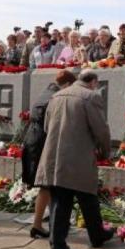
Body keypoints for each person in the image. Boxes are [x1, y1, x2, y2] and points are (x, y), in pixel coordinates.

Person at [36, 70, 113, 249]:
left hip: (55, 153)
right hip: (78, 154)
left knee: (68, 197)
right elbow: (100, 129)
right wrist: (105, 151)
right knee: (80, 195)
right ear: (93, 82)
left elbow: (47, 127)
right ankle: (66, 243)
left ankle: (93, 235)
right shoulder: (90, 97)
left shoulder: (57, 95)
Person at [23, 69, 76, 239]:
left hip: (32, 140)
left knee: (47, 186)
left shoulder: (46, 92)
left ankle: (40, 223)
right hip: (42, 142)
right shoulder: (55, 97)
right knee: (49, 185)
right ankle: (45, 224)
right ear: (67, 84)